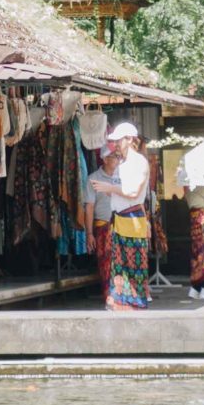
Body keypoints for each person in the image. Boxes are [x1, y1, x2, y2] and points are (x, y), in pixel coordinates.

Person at [90, 121, 151, 311]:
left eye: (118, 140)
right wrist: (110, 190)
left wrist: (110, 188)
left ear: (129, 139)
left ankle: (134, 301)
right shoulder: (121, 164)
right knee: (120, 265)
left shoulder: (138, 162)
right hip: (119, 218)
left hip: (132, 218)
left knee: (133, 263)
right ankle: (120, 301)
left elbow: (133, 192)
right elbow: (120, 191)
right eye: (114, 141)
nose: (115, 144)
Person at [85, 140, 121, 298]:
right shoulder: (94, 178)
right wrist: (89, 234)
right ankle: (109, 296)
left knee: (123, 262)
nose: (118, 159)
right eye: (114, 156)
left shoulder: (123, 175)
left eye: (119, 156)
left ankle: (122, 296)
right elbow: (89, 207)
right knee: (105, 263)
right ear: (105, 159)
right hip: (103, 225)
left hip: (122, 225)